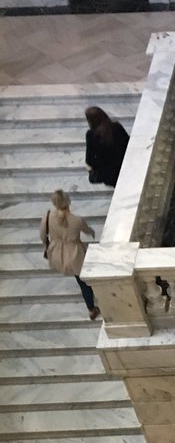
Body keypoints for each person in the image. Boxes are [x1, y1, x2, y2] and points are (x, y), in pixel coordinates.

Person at [39, 189, 99, 320]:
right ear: (68, 202)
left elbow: (42, 236)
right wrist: (93, 233)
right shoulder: (77, 220)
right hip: (75, 254)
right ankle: (91, 309)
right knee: (84, 283)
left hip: (57, 253)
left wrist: (46, 246)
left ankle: (91, 309)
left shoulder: (47, 218)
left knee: (80, 281)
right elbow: (88, 231)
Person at [85, 105, 129, 188]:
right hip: (124, 167)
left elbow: (89, 160)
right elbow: (128, 143)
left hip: (108, 175)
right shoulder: (117, 127)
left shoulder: (91, 135)